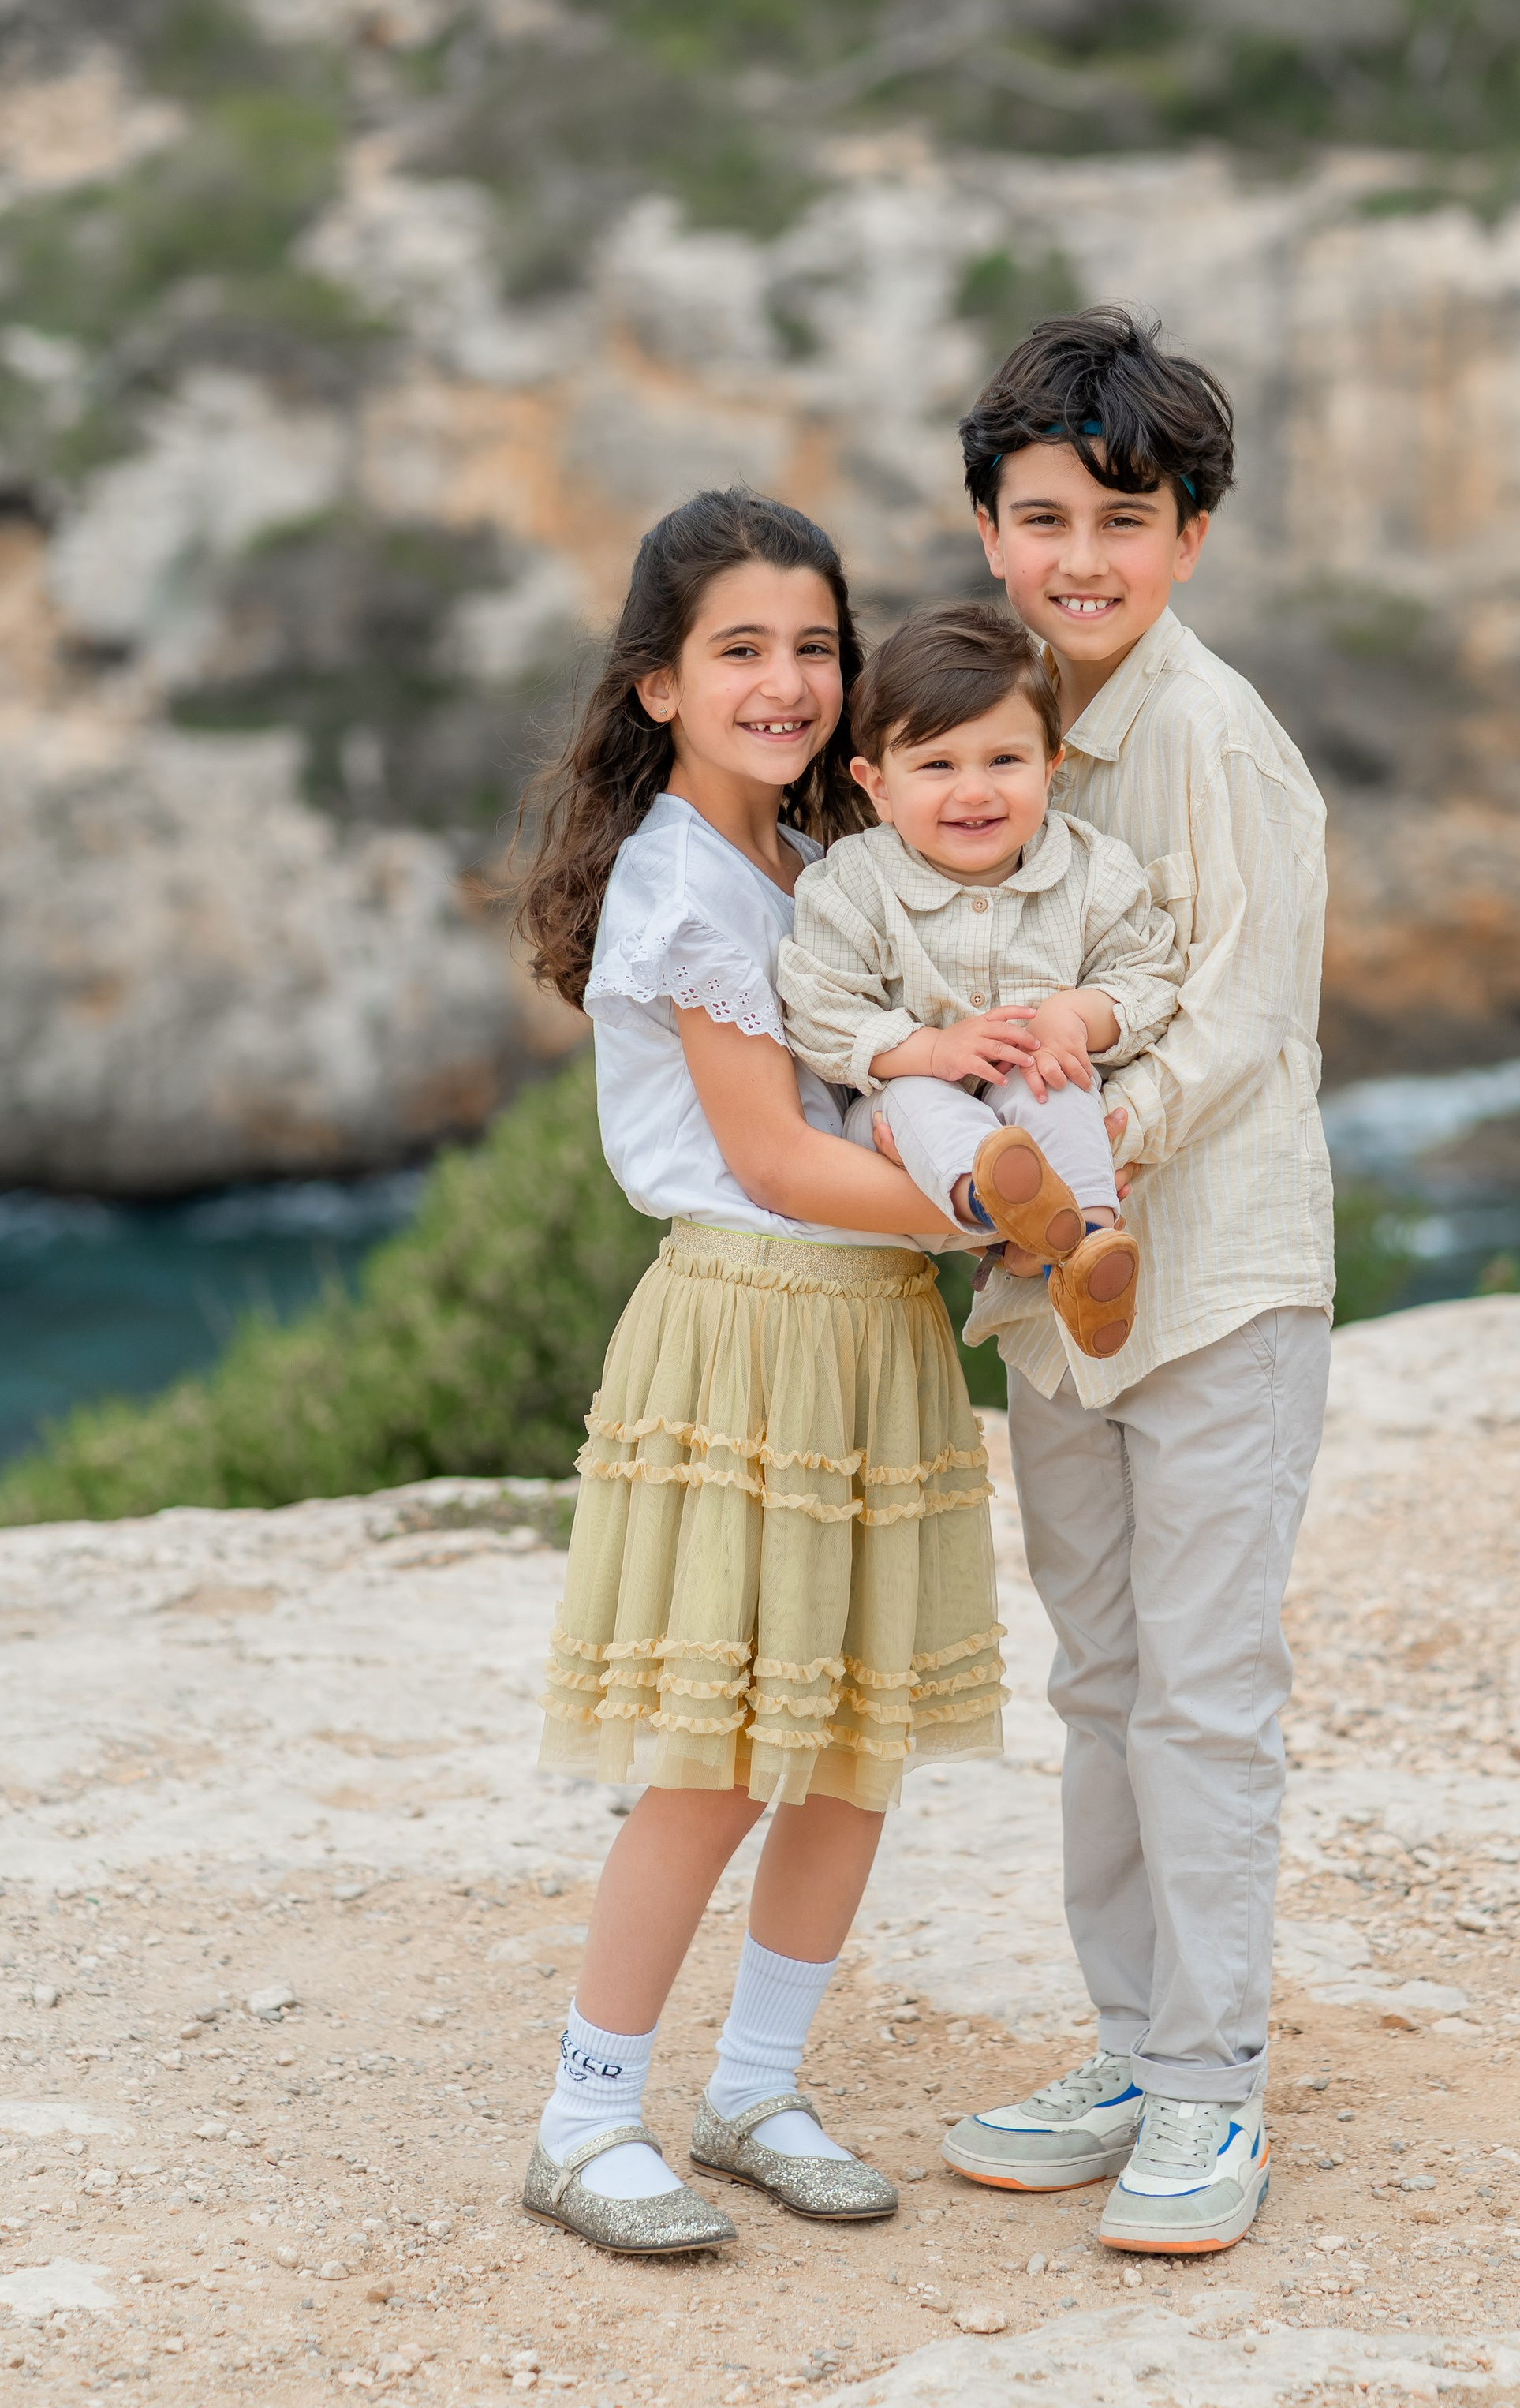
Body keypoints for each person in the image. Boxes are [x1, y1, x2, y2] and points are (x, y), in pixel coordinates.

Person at [512, 488, 1006, 2259]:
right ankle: (584, 2116)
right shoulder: (680, 884)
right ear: (656, 685)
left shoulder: (808, 868)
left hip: (867, 1326)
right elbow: (783, 1167)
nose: (787, 681)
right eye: (741, 649)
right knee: (721, 1751)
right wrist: (995, 1221)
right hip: (753, 1320)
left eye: (814, 645)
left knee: (852, 1740)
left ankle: (754, 2088)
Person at [934, 309, 1335, 2257]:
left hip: (1211, 1282)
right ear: (985, 527)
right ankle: (1129, 2044)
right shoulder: (1002, 730)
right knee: (1098, 1682)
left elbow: (1245, 1024)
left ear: (1188, 532)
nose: (1076, 555)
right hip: (1053, 1295)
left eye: (1121, 515)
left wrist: (1071, 1170)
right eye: (1039, 516)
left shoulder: (1206, 735)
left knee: (1197, 1696)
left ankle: (1210, 2090)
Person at [777, 600, 1183, 1362]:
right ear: (878, 785)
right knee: (924, 1103)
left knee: (1057, 1083)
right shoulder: (853, 885)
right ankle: (995, 1203)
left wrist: (1081, 1015)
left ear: (1052, 765)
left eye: (1004, 760)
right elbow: (817, 1009)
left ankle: (1091, 1246)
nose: (974, 792)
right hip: (901, 1115)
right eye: (937, 766)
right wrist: (924, 1049)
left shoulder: (1092, 872)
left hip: (1032, 1088)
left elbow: (1150, 973)